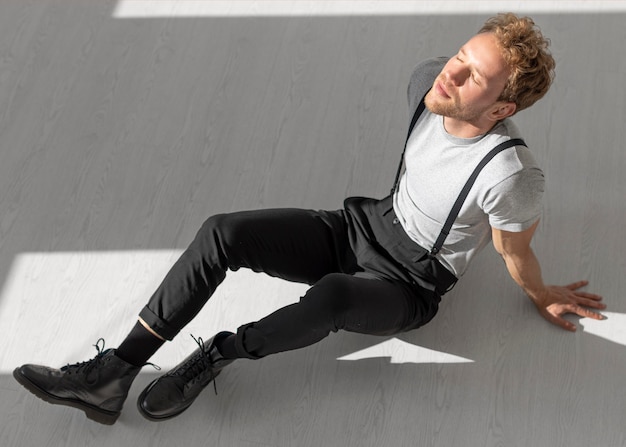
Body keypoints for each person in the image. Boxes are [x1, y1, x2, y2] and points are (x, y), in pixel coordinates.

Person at [13, 13, 605, 426]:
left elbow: (513, 251)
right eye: (460, 57)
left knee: (331, 296)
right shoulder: (427, 81)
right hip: (363, 226)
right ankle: (112, 374)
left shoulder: (512, 176)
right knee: (225, 232)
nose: (450, 74)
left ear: (502, 107)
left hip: (410, 284)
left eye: (472, 76)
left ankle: (219, 353)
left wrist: (541, 294)